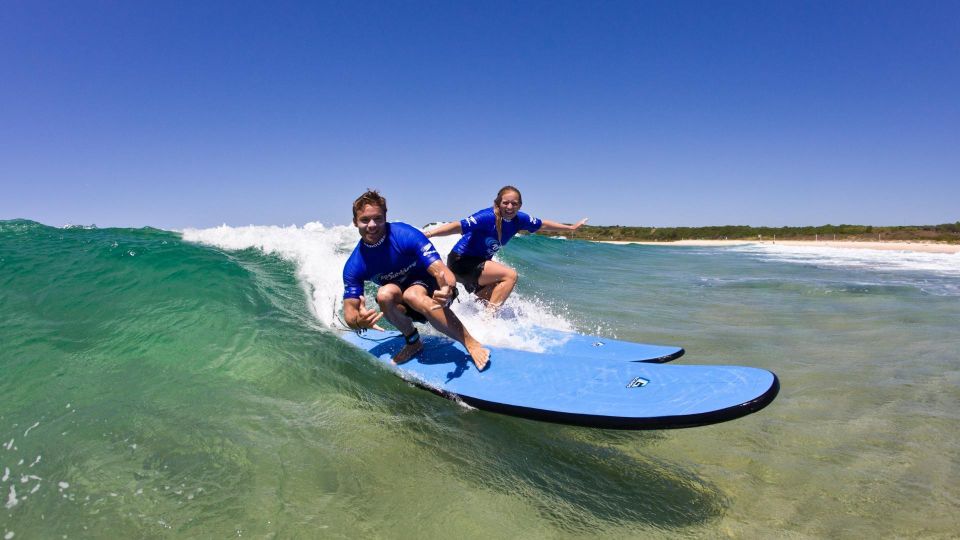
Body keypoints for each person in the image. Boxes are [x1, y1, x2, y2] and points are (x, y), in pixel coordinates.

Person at [342, 190, 490, 370]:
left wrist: (448, 288)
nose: (372, 225)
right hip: (405, 305)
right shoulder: (355, 264)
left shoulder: (405, 234)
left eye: (377, 218)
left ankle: (470, 343)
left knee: (413, 294)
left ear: (385, 217)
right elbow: (349, 312)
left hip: (435, 292)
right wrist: (358, 321)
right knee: (384, 294)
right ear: (355, 222)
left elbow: (442, 271)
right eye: (365, 220)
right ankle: (413, 342)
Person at [425, 186, 587, 312]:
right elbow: (458, 226)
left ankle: (472, 322)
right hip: (462, 261)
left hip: (478, 264)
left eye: (514, 203)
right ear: (498, 203)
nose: (510, 206)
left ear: (520, 205)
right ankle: (488, 320)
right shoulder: (487, 217)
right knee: (510, 275)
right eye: (505, 202)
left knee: (490, 297)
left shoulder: (520, 219)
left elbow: (542, 224)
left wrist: (571, 228)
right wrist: (430, 233)